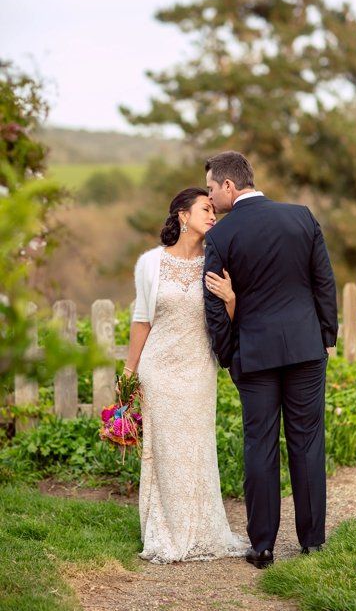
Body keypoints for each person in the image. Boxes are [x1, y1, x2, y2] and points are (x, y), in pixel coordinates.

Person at [202, 151, 338, 569]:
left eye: (210, 188)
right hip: (305, 349)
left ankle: (261, 546)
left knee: (259, 445)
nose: (210, 197)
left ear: (229, 185)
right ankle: (312, 541)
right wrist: (326, 337)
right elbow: (323, 281)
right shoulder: (301, 217)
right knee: (308, 441)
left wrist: (227, 354)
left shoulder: (222, 237)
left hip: (255, 354)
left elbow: (212, 302)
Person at [124, 187, 248, 564]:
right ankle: (165, 531)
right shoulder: (150, 263)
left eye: (215, 210)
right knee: (162, 451)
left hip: (198, 368)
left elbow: (229, 323)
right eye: (206, 209)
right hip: (158, 369)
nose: (213, 216)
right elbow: (142, 320)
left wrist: (230, 298)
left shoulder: (217, 261)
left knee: (195, 449)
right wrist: (130, 371)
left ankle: (202, 530)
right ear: (182, 215)